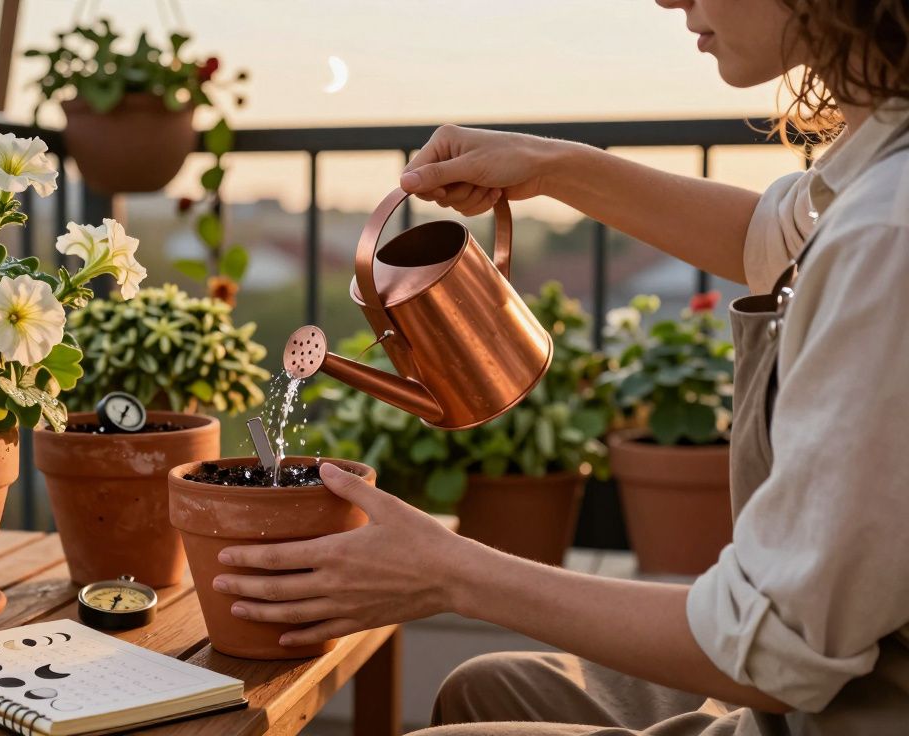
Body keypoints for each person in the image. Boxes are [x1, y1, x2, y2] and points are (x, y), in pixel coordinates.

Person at [211, 1, 909, 733]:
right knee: (485, 687)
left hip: (846, 709)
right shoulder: (875, 162)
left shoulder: (885, 234)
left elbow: (770, 649)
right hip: (818, 678)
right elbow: (770, 235)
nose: (669, 0)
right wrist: (547, 164)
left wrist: (448, 571)